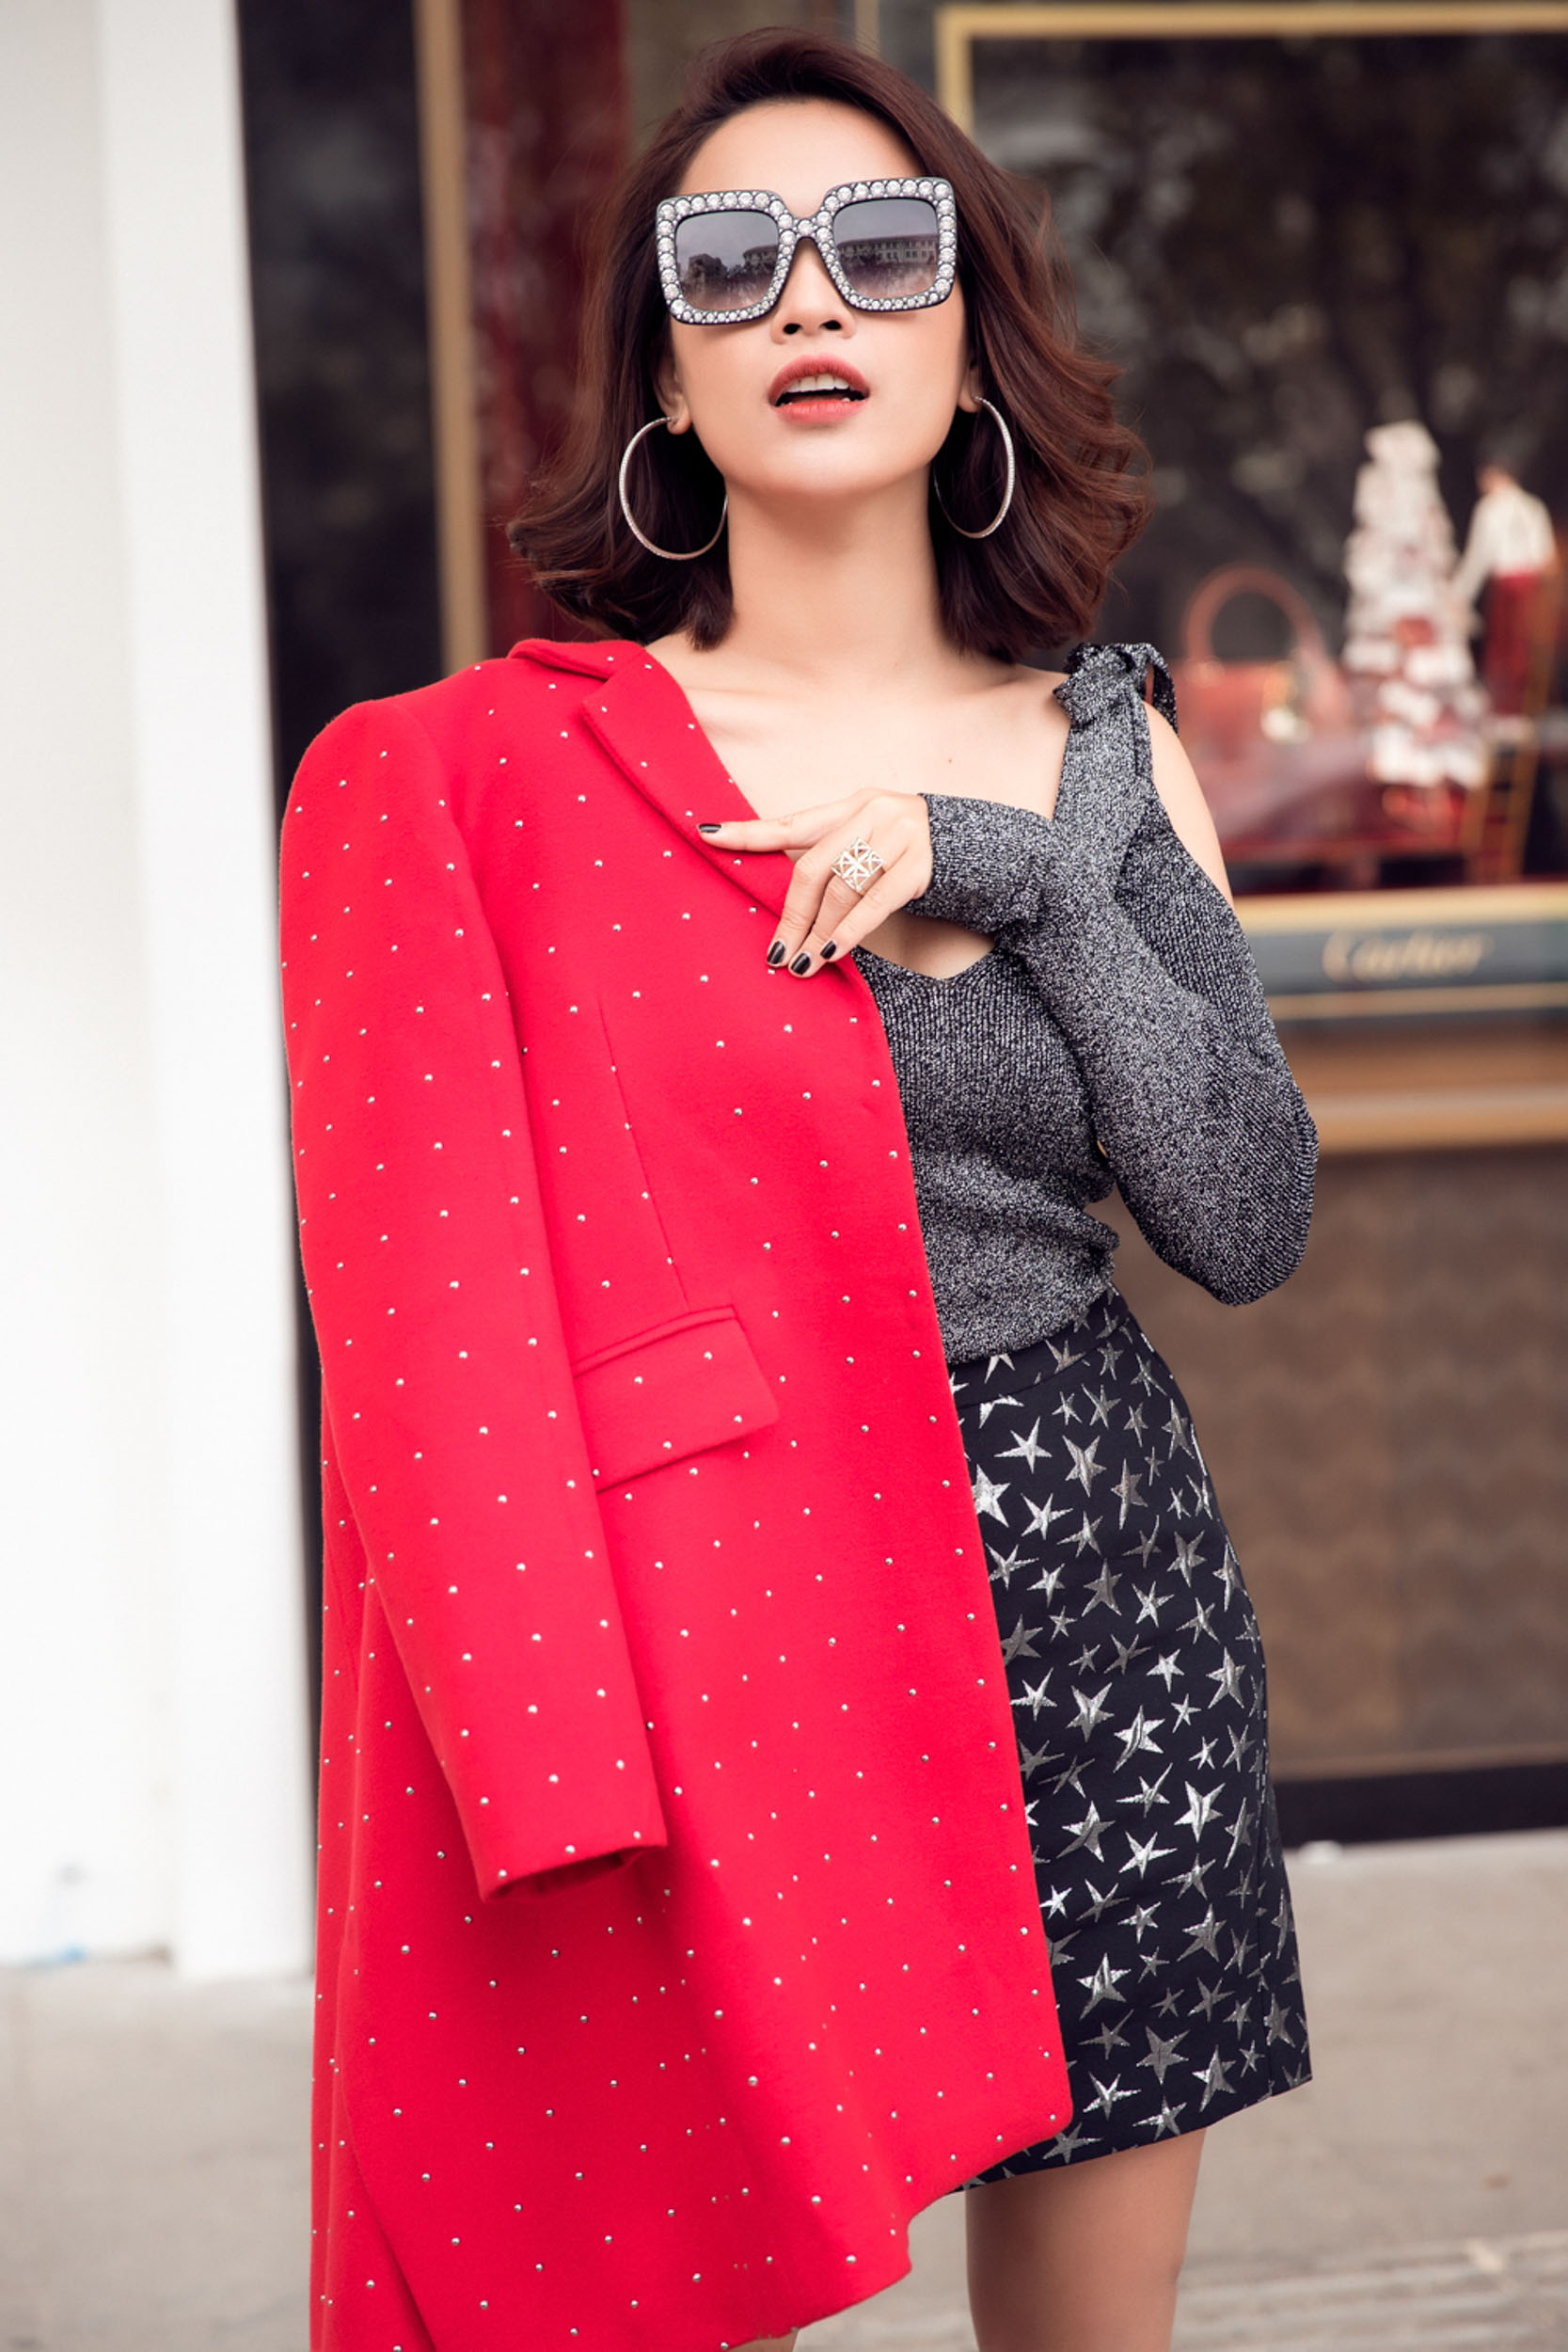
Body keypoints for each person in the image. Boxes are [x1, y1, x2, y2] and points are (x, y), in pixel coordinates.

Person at [280, 31, 1316, 2352]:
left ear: (972, 342)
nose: (809, 300)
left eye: (879, 247)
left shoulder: (1105, 750)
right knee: (673, 2284)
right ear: (665, 367)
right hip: (736, 1625)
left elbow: (1243, 1212)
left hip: (1099, 1615)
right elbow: (436, 1320)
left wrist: (1015, 871)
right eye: (729, 262)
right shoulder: (523, 781)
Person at [1453, 453, 1560, 715]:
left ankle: (1508, 708)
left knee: (1506, 648)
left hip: (1510, 584)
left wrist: (1460, 592)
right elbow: (1545, 555)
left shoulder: (1492, 509)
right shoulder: (1532, 506)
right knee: (1519, 646)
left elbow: (1479, 556)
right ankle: (1516, 707)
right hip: (1527, 583)